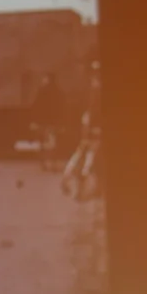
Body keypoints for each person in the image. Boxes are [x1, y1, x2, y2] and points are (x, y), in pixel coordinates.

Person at [62, 66, 103, 201]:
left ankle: (80, 189)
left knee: (85, 161)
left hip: (87, 131)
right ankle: (81, 189)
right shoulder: (94, 91)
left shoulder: (92, 91)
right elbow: (88, 113)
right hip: (88, 132)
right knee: (87, 162)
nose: (94, 78)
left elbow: (88, 113)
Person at [31, 73, 66, 171]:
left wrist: (34, 121)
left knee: (43, 144)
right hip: (55, 123)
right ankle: (53, 163)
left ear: (47, 79)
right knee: (53, 144)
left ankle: (44, 164)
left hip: (43, 122)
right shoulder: (59, 92)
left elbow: (36, 107)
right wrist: (62, 122)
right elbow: (62, 108)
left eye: (44, 78)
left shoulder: (41, 92)